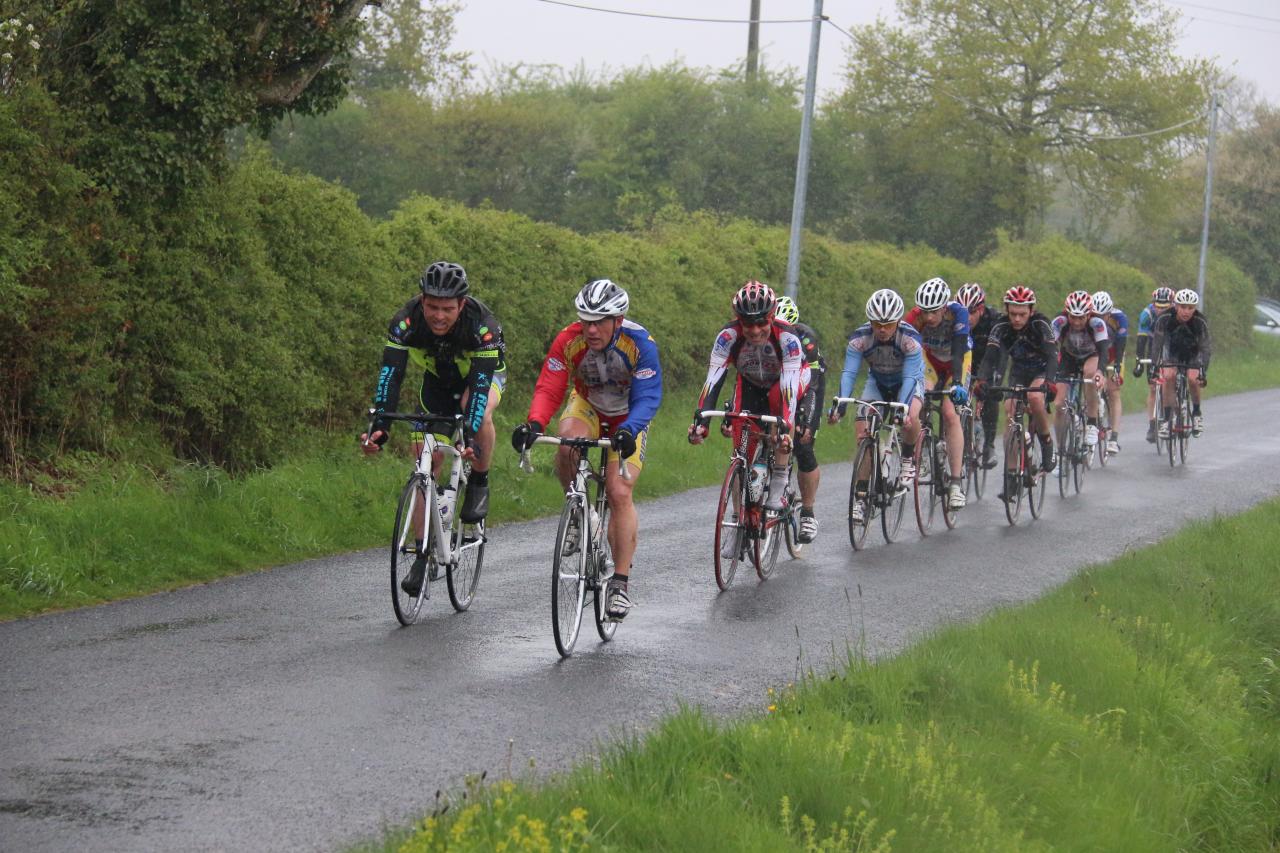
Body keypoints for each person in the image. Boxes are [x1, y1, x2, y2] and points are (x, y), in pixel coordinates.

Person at [511, 279, 662, 621]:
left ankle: (620, 583)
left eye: (599, 322)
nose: (591, 329)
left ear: (617, 320)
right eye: (585, 321)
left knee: (619, 491)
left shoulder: (640, 344)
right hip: (588, 404)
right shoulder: (569, 339)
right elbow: (550, 386)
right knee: (567, 445)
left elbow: (649, 396)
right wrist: (535, 423)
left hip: (629, 416)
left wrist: (629, 430)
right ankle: (581, 514)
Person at [361, 261, 506, 597]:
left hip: (482, 379)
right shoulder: (405, 321)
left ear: (462, 305)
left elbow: (479, 387)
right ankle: (421, 553)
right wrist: (380, 428)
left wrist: (469, 434)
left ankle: (479, 481)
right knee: (424, 461)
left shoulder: (483, 325)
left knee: (478, 411)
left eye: (447, 309)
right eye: (432, 307)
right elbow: (391, 377)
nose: (439, 316)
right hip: (438, 382)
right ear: (422, 301)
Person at [689, 281, 810, 556]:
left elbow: (789, 390)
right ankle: (738, 520)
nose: (755, 331)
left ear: (772, 316)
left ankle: (779, 477)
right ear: (738, 320)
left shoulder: (788, 338)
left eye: (761, 323)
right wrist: (702, 421)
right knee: (740, 453)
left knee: (781, 412)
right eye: (747, 324)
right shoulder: (728, 336)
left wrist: (785, 427)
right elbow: (713, 379)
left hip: (786, 382)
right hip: (751, 383)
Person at [827, 289, 925, 524]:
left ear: (898, 321)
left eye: (888, 324)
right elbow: (849, 373)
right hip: (878, 383)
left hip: (907, 382)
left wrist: (902, 408)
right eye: (877, 324)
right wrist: (841, 403)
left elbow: (910, 377)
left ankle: (908, 458)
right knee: (864, 433)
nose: (882, 329)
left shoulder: (910, 339)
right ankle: (861, 497)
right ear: (869, 321)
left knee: (911, 415)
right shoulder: (860, 338)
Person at [973, 285, 1059, 492]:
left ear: (1031, 310)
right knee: (1010, 414)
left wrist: (1050, 382)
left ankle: (1047, 442)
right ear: (1007, 310)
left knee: (1035, 399)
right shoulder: (1001, 327)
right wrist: (982, 380)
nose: (1017, 319)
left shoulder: (1041, 324)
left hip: (1041, 369)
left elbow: (1052, 355)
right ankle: (1011, 474)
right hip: (1019, 371)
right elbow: (989, 357)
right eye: (1013, 314)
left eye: (1022, 314)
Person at [904, 278, 972, 510]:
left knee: (949, 412)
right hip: (930, 359)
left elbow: (959, 351)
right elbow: (906, 350)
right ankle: (922, 450)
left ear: (944, 307)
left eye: (934, 312)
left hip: (957, 360)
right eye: (925, 312)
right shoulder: (914, 317)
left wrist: (958, 383)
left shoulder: (958, 313)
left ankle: (956, 485)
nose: (929, 317)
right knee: (920, 396)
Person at [773, 295, 825, 543]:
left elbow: (811, 385)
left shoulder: (806, 338)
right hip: (779, 382)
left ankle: (808, 513)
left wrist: (805, 419)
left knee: (803, 445)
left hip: (809, 386)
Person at [1050, 290, 1109, 449]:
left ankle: (1091, 424)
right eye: (1073, 317)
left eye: (1081, 318)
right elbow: (1050, 347)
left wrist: (1100, 372)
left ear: (1089, 315)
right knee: (1059, 404)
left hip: (1091, 355)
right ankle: (1060, 449)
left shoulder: (1097, 323)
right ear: (1067, 313)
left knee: (1089, 374)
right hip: (1069, 357)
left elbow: (1103, 350)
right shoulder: (1059, 321)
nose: (1076, 322)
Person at [1150, 288, 1211, 437]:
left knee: (1193, 378)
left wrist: (1203, 371)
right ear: (1176, 306)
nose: (1186, 311)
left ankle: (1196, 413)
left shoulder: (1200, 321)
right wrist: (1154, 366)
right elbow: (1157, 344)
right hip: (1172, 350)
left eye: (1190, 308)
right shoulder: (1164, 318)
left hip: (1192, 351)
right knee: (1168, 376)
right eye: (1183, 307)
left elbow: (1205, 348)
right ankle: (1166, 419)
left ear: (1195, 308)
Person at [956, 282, 1001, 469]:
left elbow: (1000, 353)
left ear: (981, 309)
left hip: (988, 362)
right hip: (965, 363)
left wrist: (993, 377)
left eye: (971, 312)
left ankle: (989, 444)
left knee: (991, 393)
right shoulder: (953, 320)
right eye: (962, 312)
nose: (966, 317)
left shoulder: (994, 321)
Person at [1135, 286, 1174, 443]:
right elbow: (1141, 340)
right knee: (1153, 387)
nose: (1161, 310)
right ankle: (1152, 426)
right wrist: (1139, 361)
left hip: (1172, 344)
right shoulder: (1147, 315)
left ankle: (1174, 407)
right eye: (1158, 306)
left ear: (1172, 305)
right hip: (1154, 345)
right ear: (1153, 304)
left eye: (1165, 307)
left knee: (1170, 381)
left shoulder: (1177, 314)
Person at [1090, 291, 1128, 454]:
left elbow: (1121, 344)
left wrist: (1117, 366)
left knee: (1114, 390)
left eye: (1103, 315)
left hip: (1114, 352)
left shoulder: (1120, 318)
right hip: (1094, 351)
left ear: (1109, 312)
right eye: (1096, 315)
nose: (1100, 318)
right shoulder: (1086, 317)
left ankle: (1114, 438)